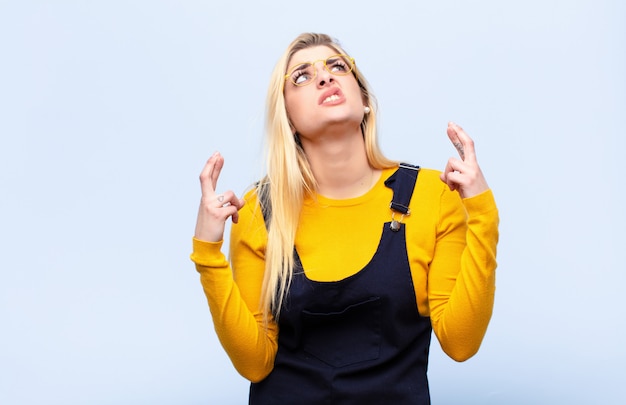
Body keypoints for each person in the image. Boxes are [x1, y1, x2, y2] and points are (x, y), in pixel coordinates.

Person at [191, 32, 499, 404]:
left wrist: (482, 212)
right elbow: (254, 363)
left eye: (337, 66)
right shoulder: (259, 211)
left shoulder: (432, 195)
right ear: (287, 117)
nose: (325, 77)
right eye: (302, 77)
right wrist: (208, 253)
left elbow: (461, 342)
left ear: (365, 100)